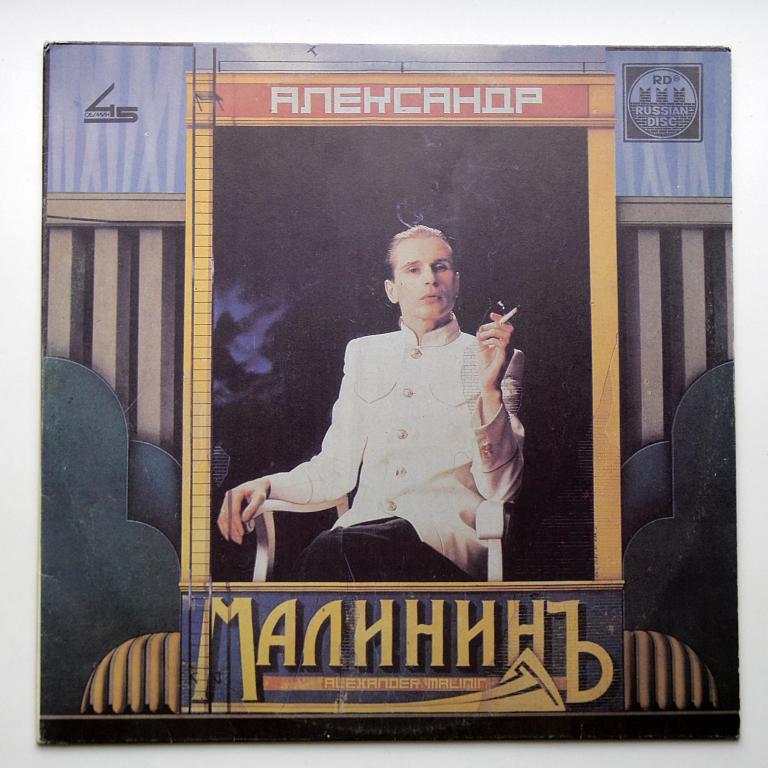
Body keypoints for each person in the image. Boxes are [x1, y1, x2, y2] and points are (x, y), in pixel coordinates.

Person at [217, 225, 524, 581]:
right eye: (413, 269)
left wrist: (488, 388)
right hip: (357, 542)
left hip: (442, 549)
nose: (430, 279)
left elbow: (501, 489)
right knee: (337, 549)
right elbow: (335, 469)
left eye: (440, 267)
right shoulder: (365, 354)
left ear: (456, 283)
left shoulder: (494, 357)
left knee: (331, 552)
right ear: (392, 290)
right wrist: (267, 485)